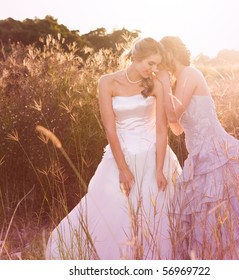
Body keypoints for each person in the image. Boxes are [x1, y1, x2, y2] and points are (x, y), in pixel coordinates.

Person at [45, 37, 181, 260]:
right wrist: (123, 169)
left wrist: (159, 168)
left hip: (153, 154)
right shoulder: (107, 82)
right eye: (150, 63)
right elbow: (110, 130)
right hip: (121, 154)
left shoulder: (155, 84)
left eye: (157, 64)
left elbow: (161, 129)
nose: (154, 69)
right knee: (110, 211)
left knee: (157, 215)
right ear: (136, 58)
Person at [157, 36, 239, 259]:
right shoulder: (177, 82)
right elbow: (177, 129)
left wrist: (161, 84)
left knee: (228, 217)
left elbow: (173, 113)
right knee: (206, 217)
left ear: (170, 53)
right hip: (198, 156)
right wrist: (164, 90)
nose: (160, 63)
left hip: (216, 153)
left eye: (162, 57)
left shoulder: (190, 73)